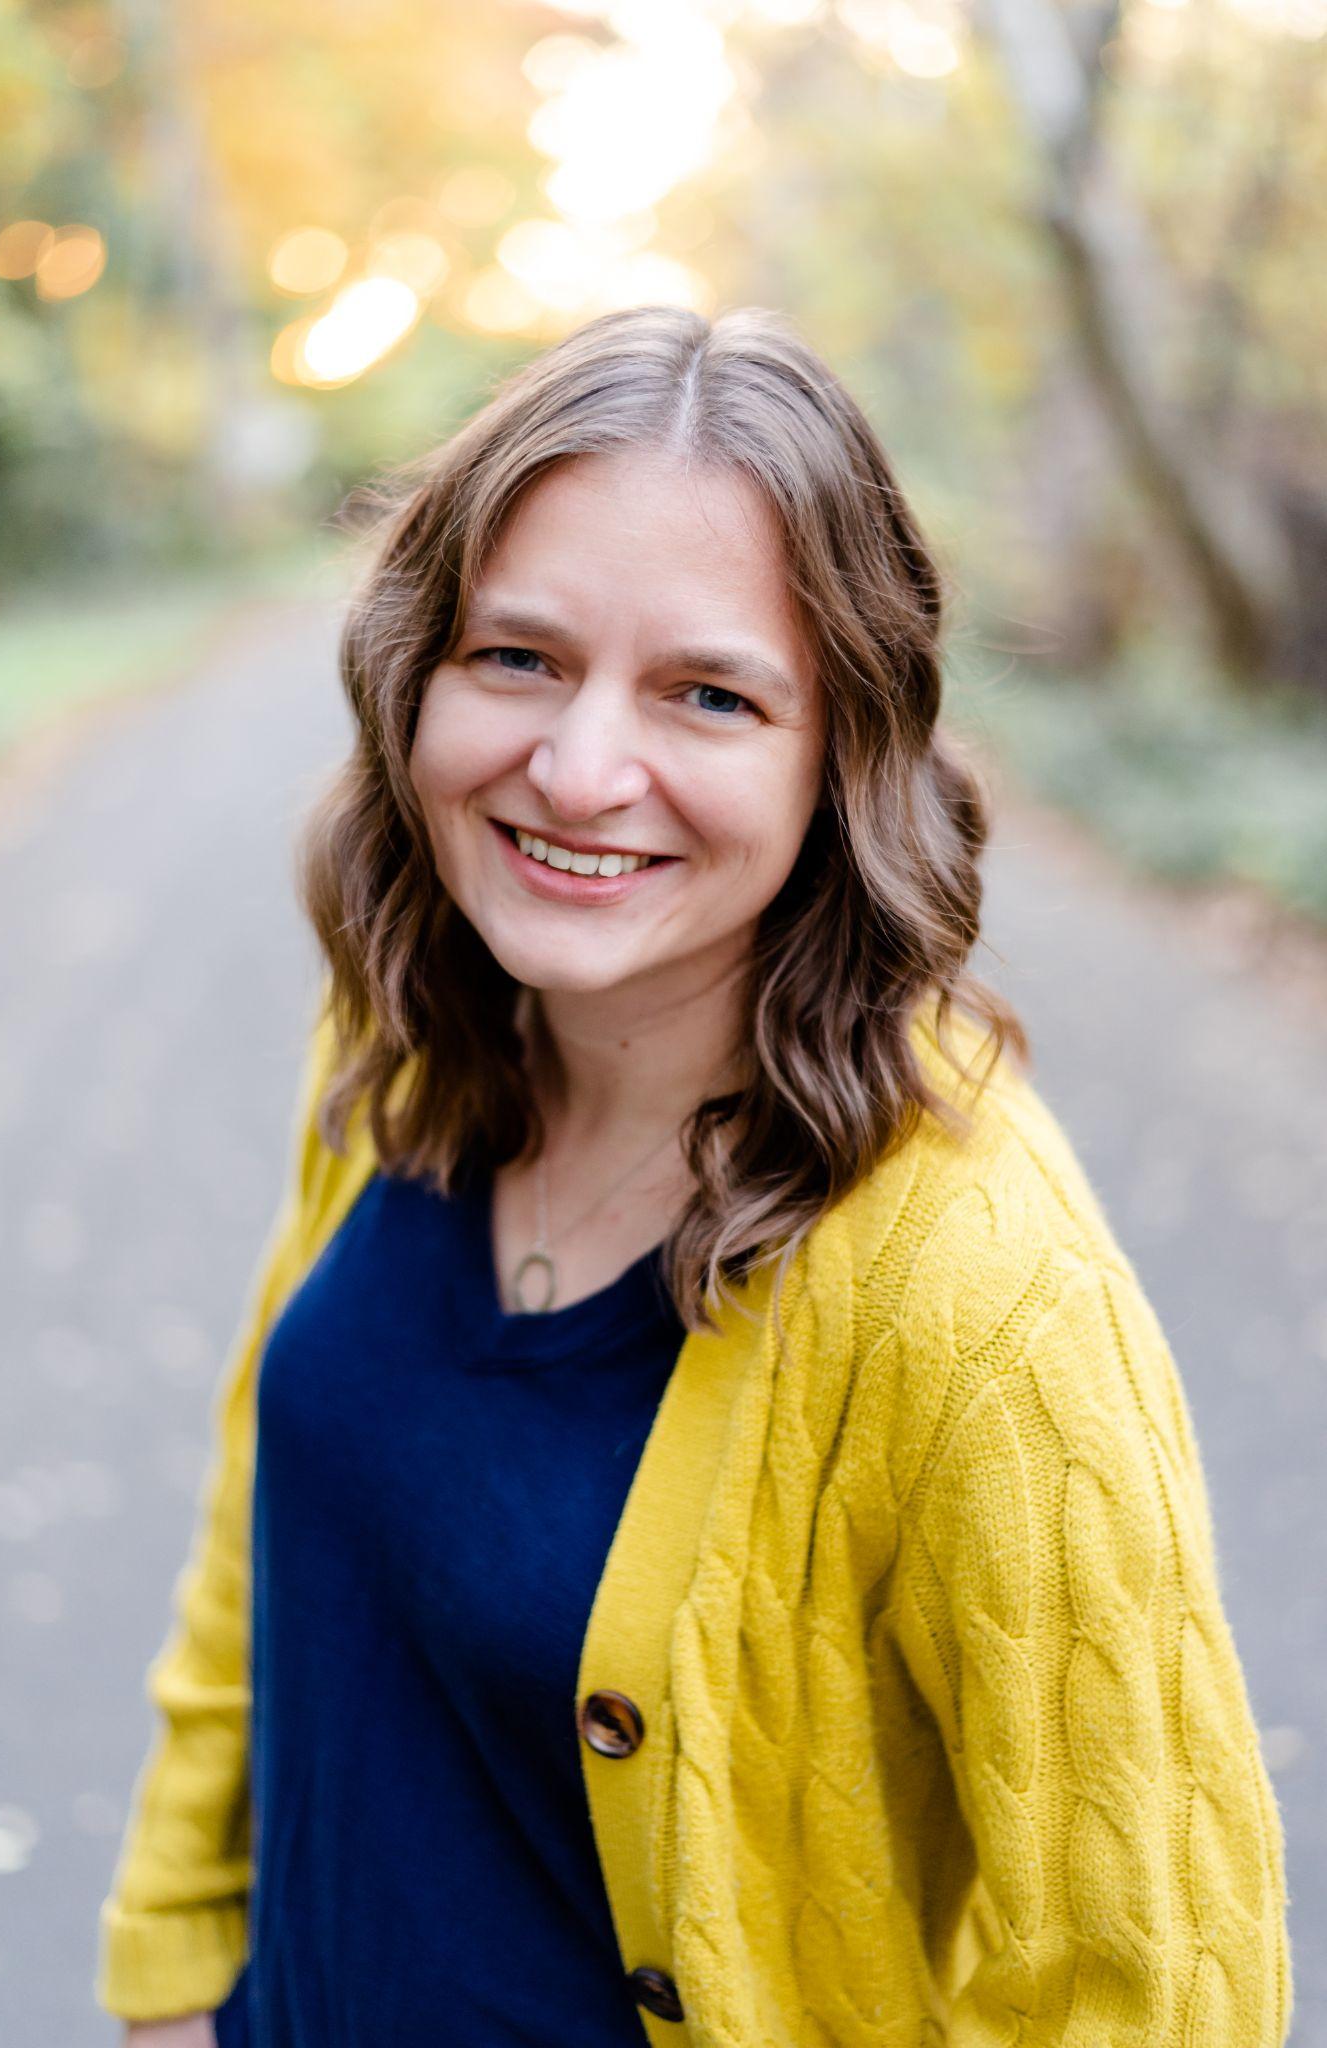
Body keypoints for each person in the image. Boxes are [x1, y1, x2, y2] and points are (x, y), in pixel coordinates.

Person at [95, 303, 1293, 2047]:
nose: (579, 770)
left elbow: (1158, 1991)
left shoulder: (981, 1303)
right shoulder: (407, 1036)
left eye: (709, 694)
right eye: (516, 658)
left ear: (842, 760)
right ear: (413, 670)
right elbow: (258, 1555)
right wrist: (178, 1966)